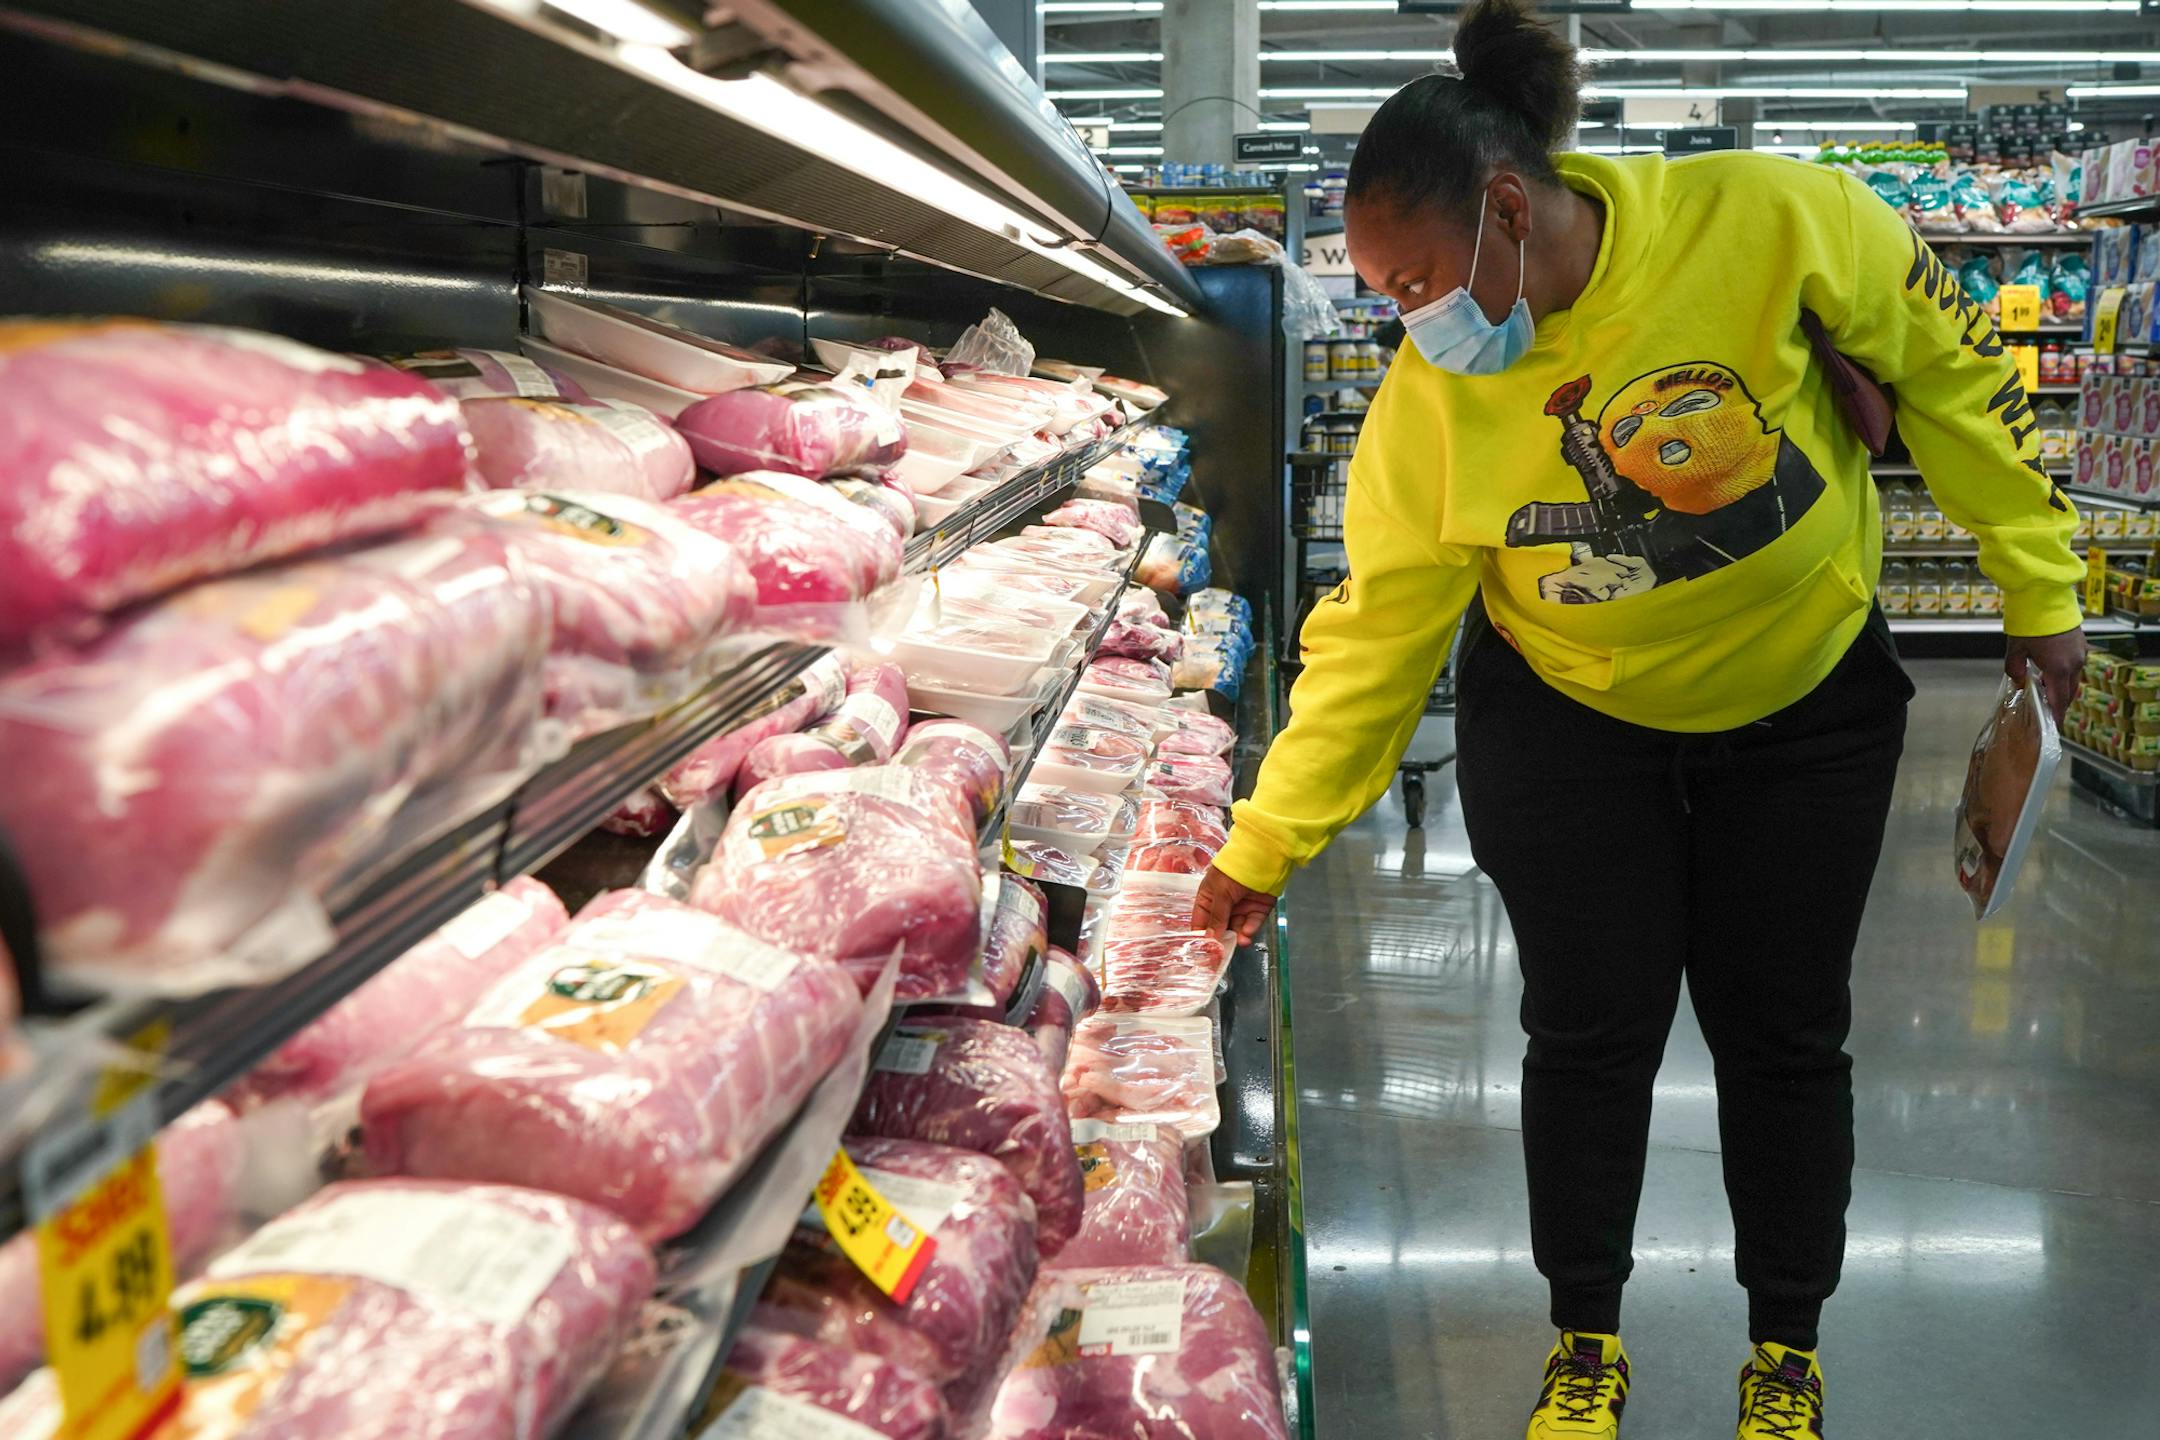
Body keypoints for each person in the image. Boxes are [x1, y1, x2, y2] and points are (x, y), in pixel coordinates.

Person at [1192, 2, 2086, 1436]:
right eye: (1382, 294)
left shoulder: (1776, 217)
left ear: (1506, 206)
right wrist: (1268, 835)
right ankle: (1582, 1343)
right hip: (1566, 723)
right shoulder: (1427, 404)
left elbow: (1956, 378)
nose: (1405, 317)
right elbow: (1374, 633)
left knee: (1786, 1034)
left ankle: (1784, 1348)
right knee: (1587, 1035)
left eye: (1416, 279)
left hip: (1805, 706)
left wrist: (2038, 586)